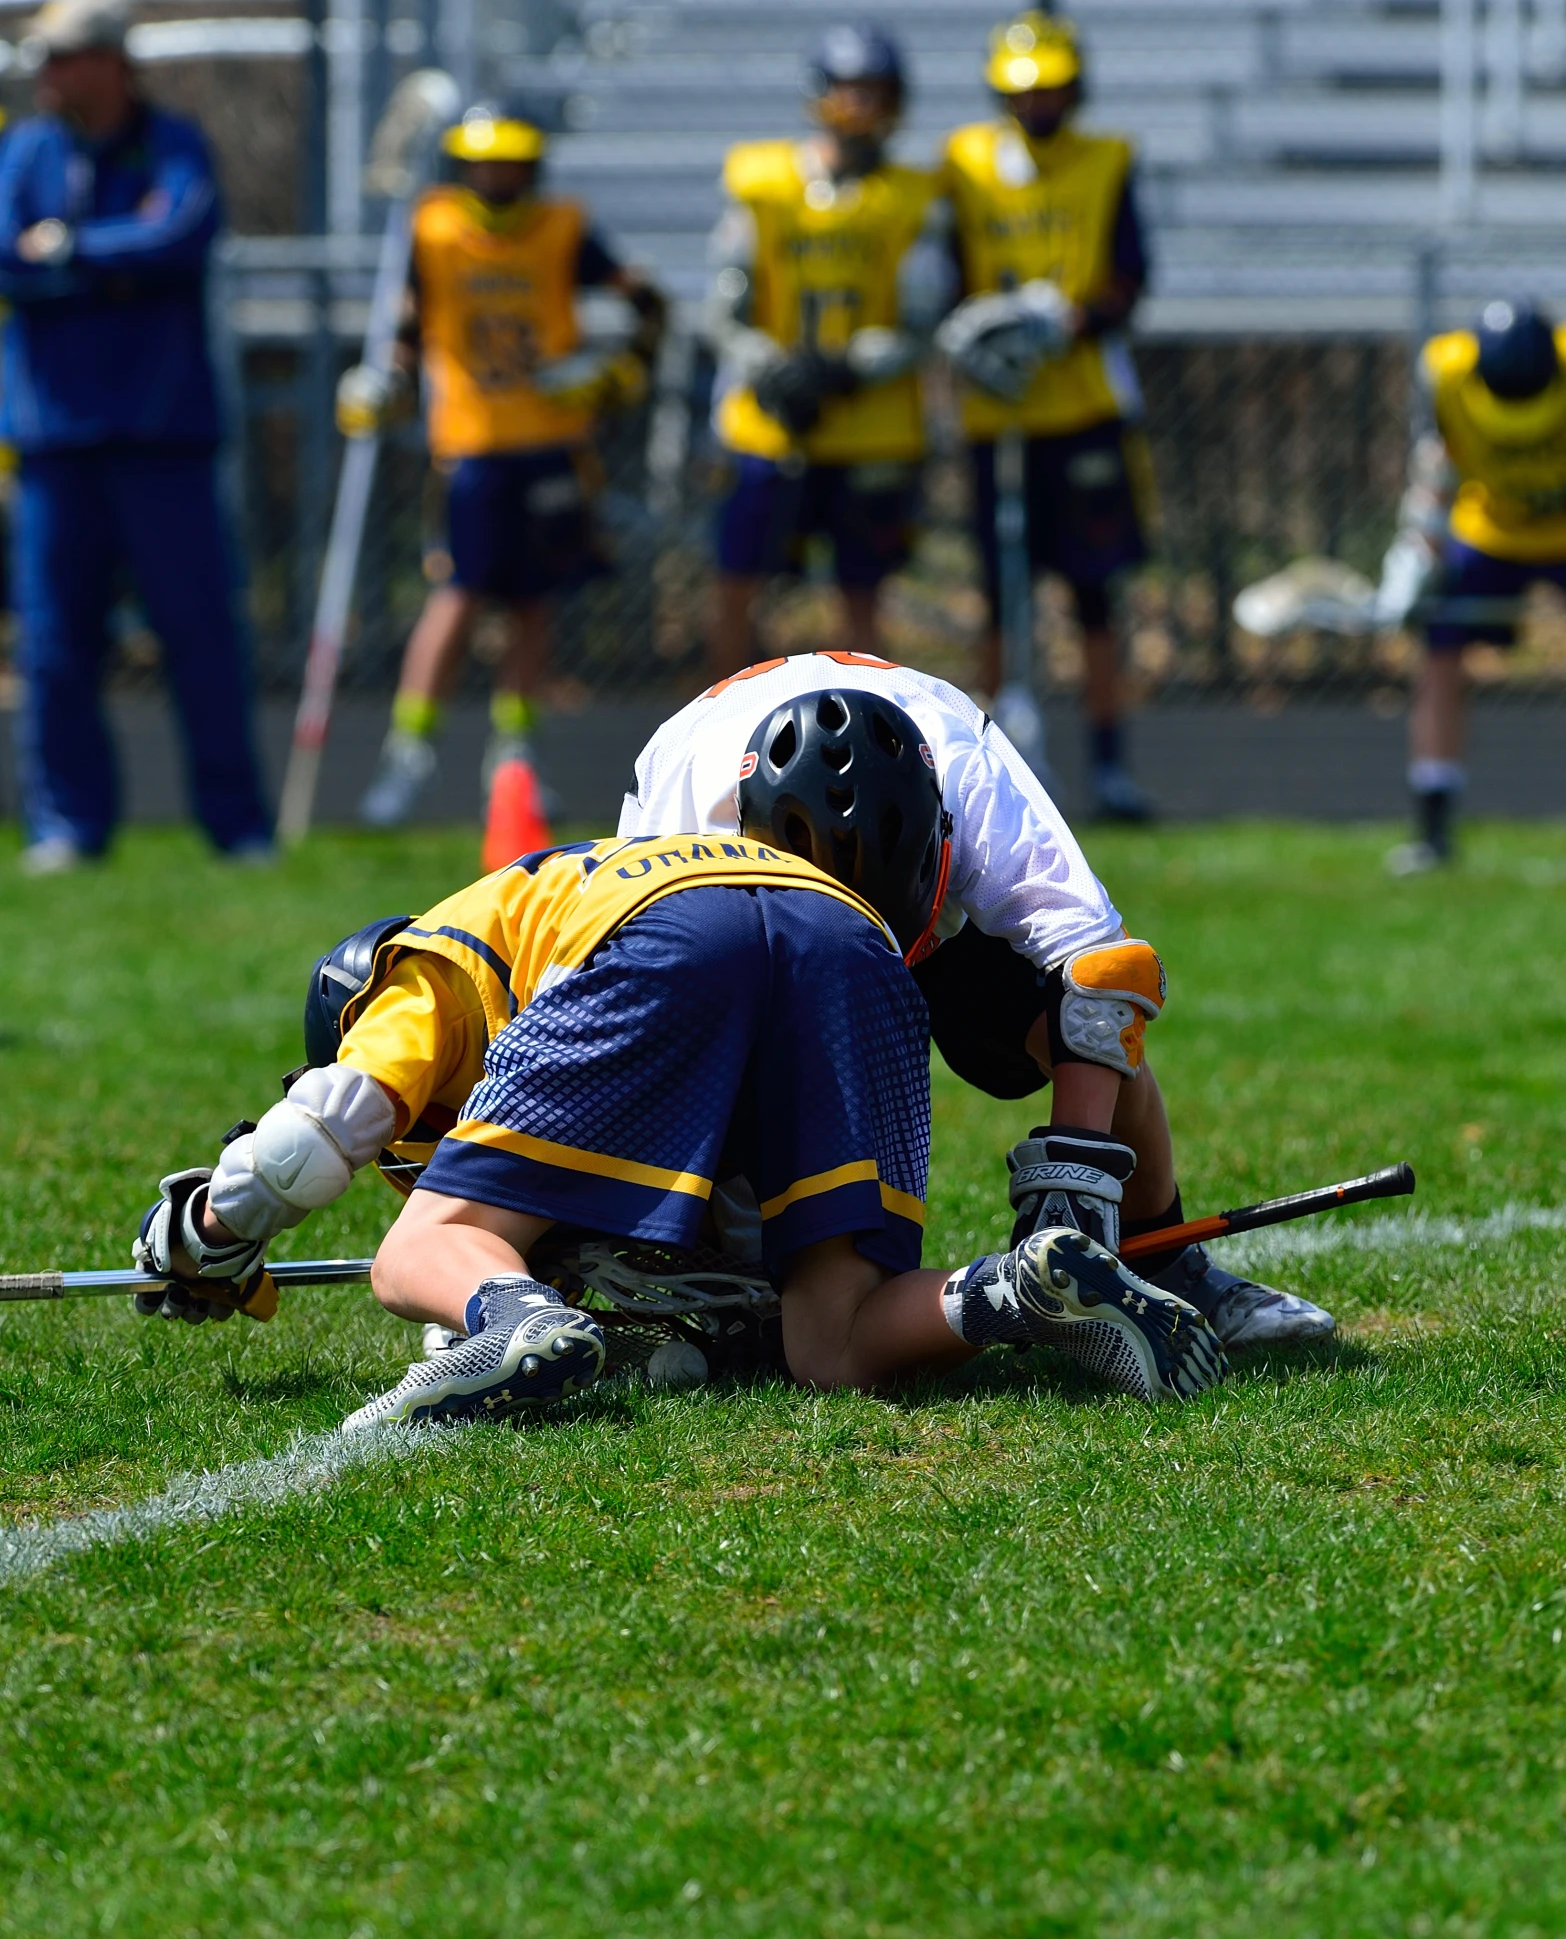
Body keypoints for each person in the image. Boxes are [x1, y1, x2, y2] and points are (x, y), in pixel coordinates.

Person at [130, 693, 1228, 1423]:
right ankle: (1016, 1290)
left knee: (431, 1243)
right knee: (831, 1339)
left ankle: (513, 1323)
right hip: (857, 942)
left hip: (673, 930)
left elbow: (318, 1131)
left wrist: (206, 1232)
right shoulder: (604, 858)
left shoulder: (422, 969)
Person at [622, 650, 1337, 1352]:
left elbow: (1106, 971)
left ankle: (1167, 1262)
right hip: (776, 939)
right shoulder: (681, 824)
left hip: (936, 926)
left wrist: (1077, 1167)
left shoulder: (973, 778)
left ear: (943, 827)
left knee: (1059, 1017)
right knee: (723, 1099)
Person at [0, 0, 272, 873]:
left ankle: (238, 829)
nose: (46, 75)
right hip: (54, 441)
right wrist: (111, 262)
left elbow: (180, 236)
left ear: (112, 61)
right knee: (54, 644)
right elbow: (8, 254)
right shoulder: (28, 149)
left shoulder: (173, 142)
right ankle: (68, 827)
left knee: (198, 633)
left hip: (162, 440)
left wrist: (72, 252)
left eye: (63, 57)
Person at [344, 108, 665, 830]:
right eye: (484, 166)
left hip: (551, 444)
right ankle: (409, 752)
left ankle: (516, 760)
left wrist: (612, 375)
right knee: (457, 597)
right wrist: (384, 383)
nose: (498, 179)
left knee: (533, 604)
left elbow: (647, 304)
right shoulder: (431, 230)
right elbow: (403, 323)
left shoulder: (561, 229)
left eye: (511, 166)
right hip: (470, 446)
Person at [939, 12, 1155, 823]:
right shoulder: (962, 163)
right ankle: (986, 774)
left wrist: (1063, 323)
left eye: (1055, 88)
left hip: (1082, 406)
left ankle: (1109, 768)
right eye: (1027, 92)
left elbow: (1132, 280)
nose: (1041, 105)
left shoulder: (1107, 161)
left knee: (1096, 594)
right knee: (1000, 598)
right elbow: (943, 274)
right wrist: (977, 329)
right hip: (996, 414)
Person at [703, 22, 953, 676]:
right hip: (770, 423)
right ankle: (717, 745)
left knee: (863, 598)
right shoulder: (761, 183)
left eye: (874, 93)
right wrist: (772, 367)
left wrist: (845, 369)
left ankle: (869, 741)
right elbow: (725, 306)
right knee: (736, 584)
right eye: (848, 91)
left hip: (870, 424)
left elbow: (923, 319)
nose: (860, 109)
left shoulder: (914, 198)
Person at [1383, 297, 1566, 875]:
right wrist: (1418, 547)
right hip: (1490, 527)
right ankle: (1434, 826)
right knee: (1439, 654)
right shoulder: (1450, 374)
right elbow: (1436, 460)